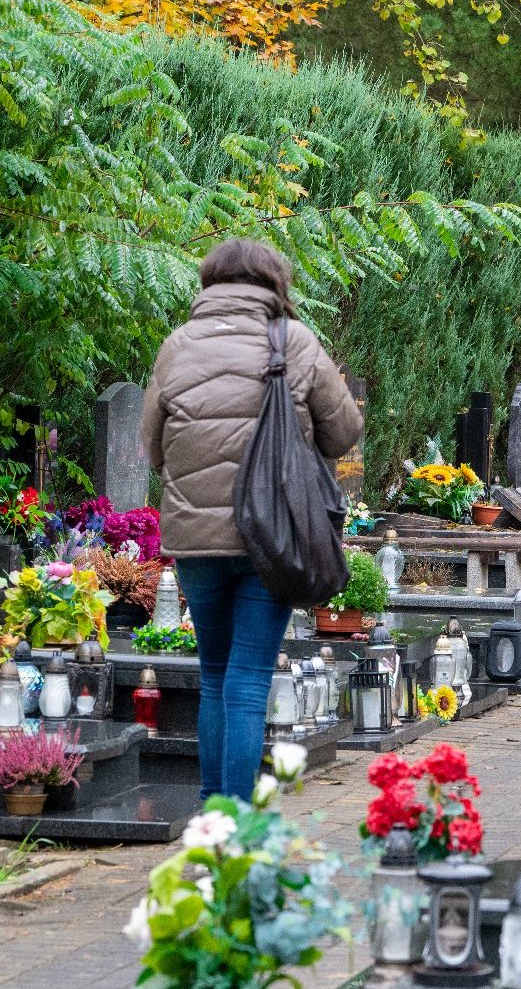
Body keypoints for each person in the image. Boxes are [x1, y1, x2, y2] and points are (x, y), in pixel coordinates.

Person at [140, 239, 361, 801]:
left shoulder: (176, 347)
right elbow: (344, 434)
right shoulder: (295, 343)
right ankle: (234, 825)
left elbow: (153, 447)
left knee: (214, 676)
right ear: (274, 284)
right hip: (275, 536)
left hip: (195, 541)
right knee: (247, 684)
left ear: (209, 282)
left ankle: (212, 817)